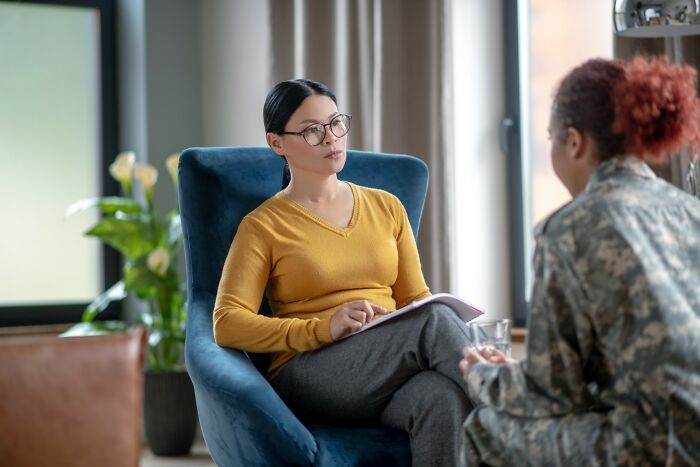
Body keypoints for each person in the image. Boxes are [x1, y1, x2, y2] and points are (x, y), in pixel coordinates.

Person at [213, 78, 474, 466]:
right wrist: (322, 328)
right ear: (277, 143)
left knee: (441, 398)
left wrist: (405, 323)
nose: (331, 138)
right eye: (313, 130)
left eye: (336, 123)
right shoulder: (263, 225)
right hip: (310, 373)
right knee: (435, 321)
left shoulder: (387, 207)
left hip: (384, 364)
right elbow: (226, 322)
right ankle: (519, 411)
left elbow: (416, 299)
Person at [459, 56, 700, 466]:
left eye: (551, 138)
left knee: (483, 427)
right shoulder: (688, 210)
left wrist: (483, 377)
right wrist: (517, 373)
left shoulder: (571, 227)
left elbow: (551, 394)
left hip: (653, 447)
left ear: (574, 141)